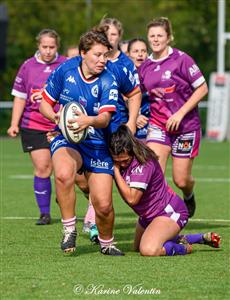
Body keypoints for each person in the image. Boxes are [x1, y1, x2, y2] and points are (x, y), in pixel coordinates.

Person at [40, 26, 124, 256]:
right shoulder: (64, 70)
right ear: (82, 53)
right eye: (97, 55)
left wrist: (88, 120)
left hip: (97, 143)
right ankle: (69, 230)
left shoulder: (108, 79)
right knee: (64, 174)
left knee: (104, 205)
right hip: (68, 139)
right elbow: (44, 103)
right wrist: (56, 117)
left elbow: (105, 119)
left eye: (106, 55)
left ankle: (107, 243)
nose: (102, 60)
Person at [109, 125, 221, 256]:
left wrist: (115, 170)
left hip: (169, 211)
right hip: (147, 216)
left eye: (124, 161)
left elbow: (132, 199)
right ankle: (195, 238)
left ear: (132, 151)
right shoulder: (123, 156)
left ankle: (184, 248)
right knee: (137, 248)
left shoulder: (143, 163)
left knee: (149, 250)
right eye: (117, 161)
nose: (121, 164)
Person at [138, 17, 208, 218]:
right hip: (158, 125)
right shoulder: (145, 66)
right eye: (152, 36)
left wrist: (180, 113)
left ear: (169, 37)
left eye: (160, 35)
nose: (156, 39)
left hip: (186, 127)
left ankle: (188, 193)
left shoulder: (182, 59)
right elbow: (135, 95)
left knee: (181, 179)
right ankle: (161, 214)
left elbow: (202, 88)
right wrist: (135, 117)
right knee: (154, 173)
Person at [79, 18, 142, 239]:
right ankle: (94, 212)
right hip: (91, 129)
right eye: (105, 33)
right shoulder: (88, 63)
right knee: (84, 179)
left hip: (116, 129)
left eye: (114, 34)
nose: (110, 37)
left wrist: (132, 122)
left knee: (114, 176)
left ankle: (98, 222)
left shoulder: (124, 65)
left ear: (119, 37)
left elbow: (134, 94)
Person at [7, 29, 66, 225]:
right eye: (44, 47)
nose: (48, 51)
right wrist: (14, 124)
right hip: (33, 124)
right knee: (43, 168)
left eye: (52, 47)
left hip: (60, 124)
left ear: (57, 46)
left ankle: (63, 197)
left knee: (63, 171)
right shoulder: (27, 67)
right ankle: (44, 213)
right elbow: (20, 97)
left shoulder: (65, 64)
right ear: (38, 46)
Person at [127, 38, 149, 141]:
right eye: (136, 51)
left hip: (151, 128)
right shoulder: (123, 75)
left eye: (143, 51)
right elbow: (120, 100)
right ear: (128, 54)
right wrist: (135, 116)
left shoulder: (153, 75)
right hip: (128, 127)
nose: (140, 54)